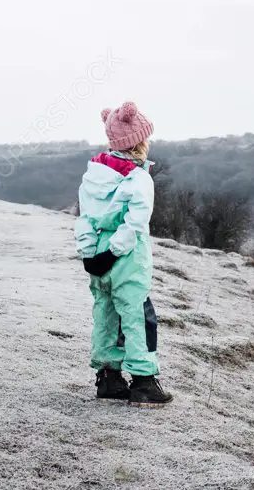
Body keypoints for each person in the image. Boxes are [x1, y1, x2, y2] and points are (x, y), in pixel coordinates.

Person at [74, 101, 173, 407]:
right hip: (127, 260)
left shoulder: (93, 176)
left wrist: (91, 254)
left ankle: (109, 377)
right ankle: (144, 382)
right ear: (138, 142)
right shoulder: (139, 179)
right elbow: (135, 224)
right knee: (138, 317)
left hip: (98, 259)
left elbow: (85, 218)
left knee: (105, 315)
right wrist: (116, 252)